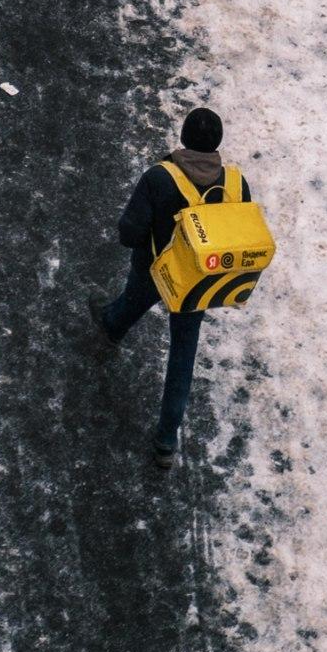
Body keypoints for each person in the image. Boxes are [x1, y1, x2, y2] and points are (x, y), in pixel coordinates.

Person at [89, 107, 236, 471]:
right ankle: (166, 443)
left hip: (156, 268)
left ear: (184, 137)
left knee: (136, 299)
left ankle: (111, 327)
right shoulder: (235, 182)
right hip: (198, 282)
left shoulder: (160, 176)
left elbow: (130, 233)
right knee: (183, 356)